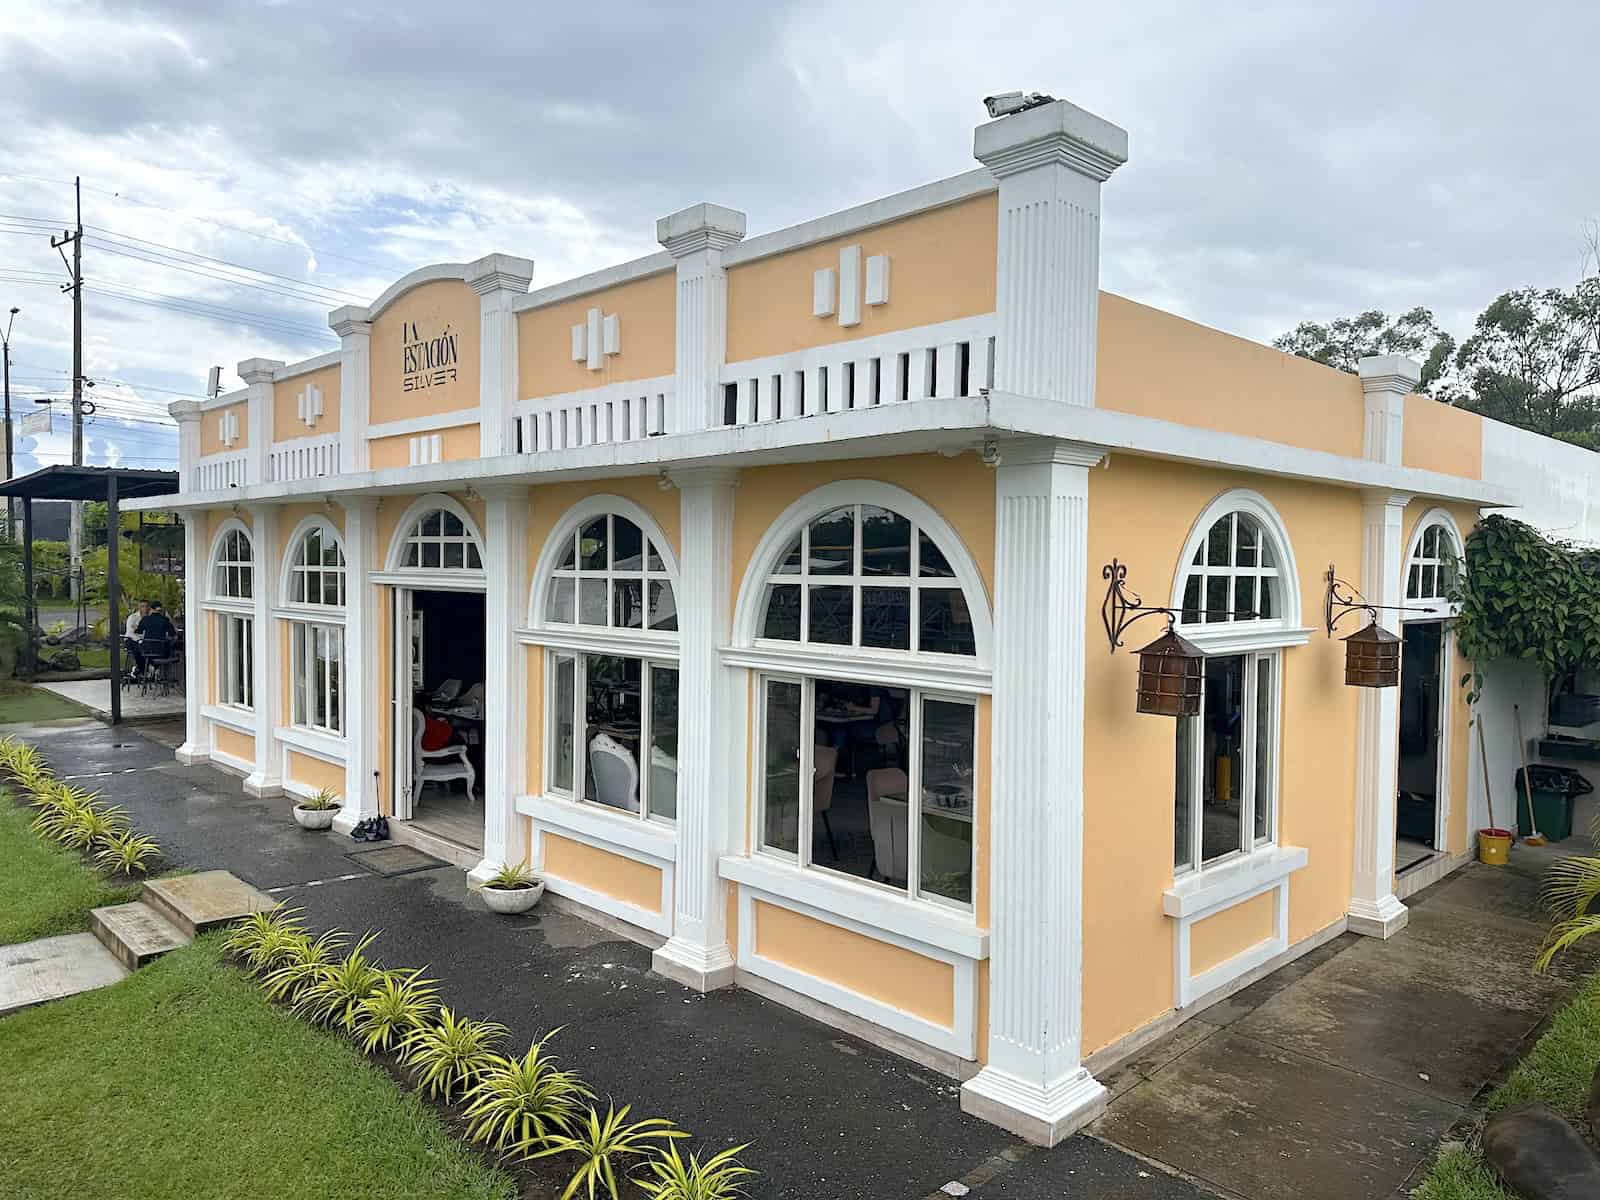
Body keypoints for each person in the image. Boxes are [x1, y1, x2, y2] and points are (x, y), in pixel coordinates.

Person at [123, 600, 151, 679]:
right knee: (138, 649)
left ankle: (138, 669)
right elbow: (130, 633)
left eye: (146, 606)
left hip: (144, 641)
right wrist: (139, 640)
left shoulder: (149, 618)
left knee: (150, 650)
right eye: (142, 606)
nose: (145, 608)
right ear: (139, 607)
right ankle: (143, 671)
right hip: (131, 640)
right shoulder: (133, 617)